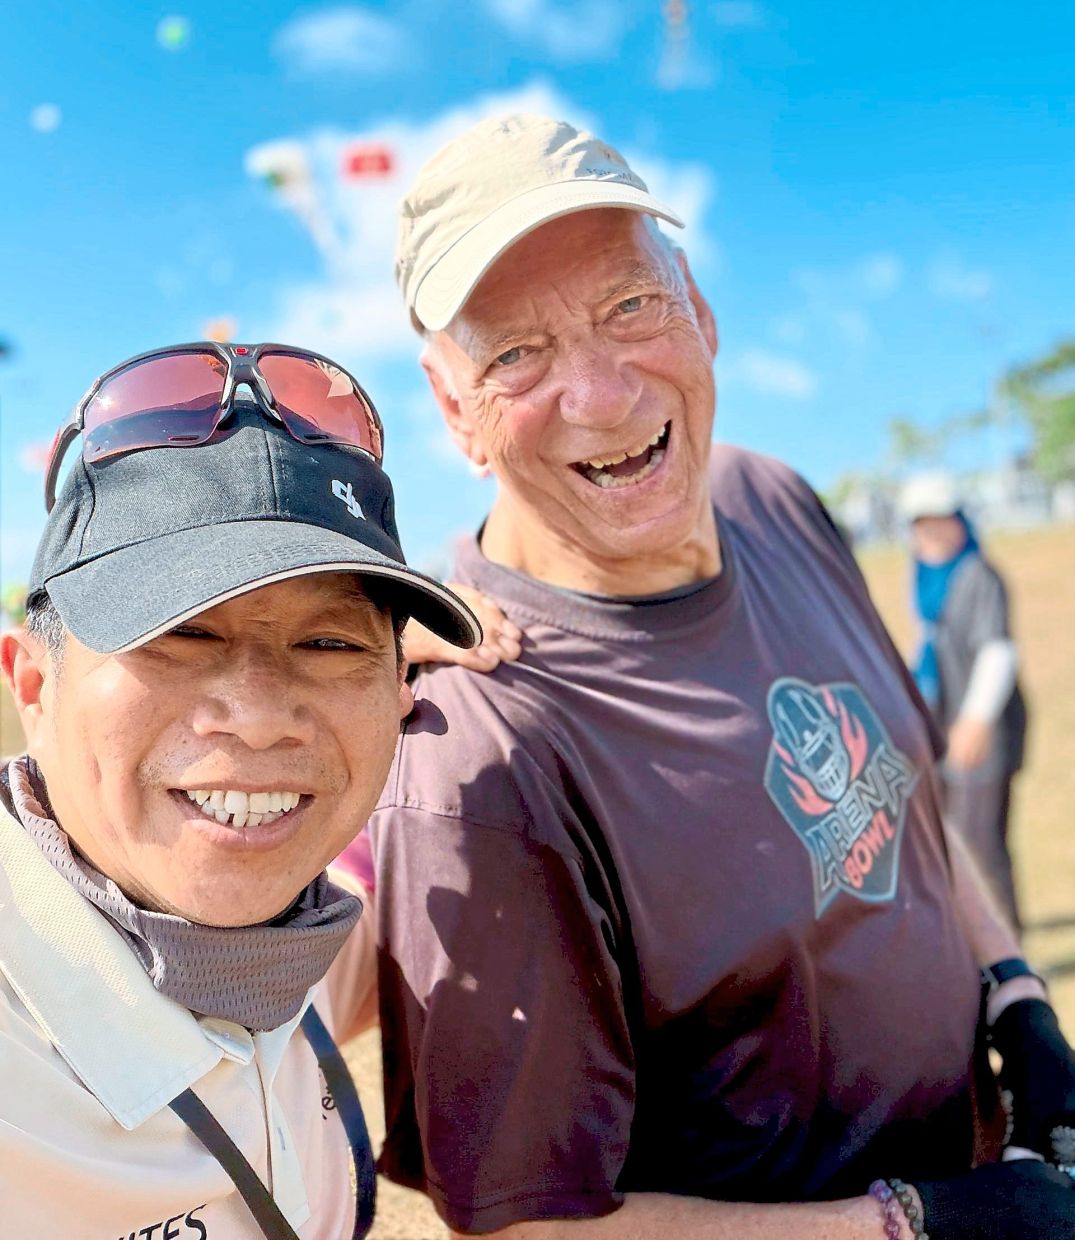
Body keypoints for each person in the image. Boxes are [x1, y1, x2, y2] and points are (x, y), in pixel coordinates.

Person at [361, 115, 1075, 1238]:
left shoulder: (770, 497)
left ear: (698, 307)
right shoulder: (481, 750)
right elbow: (532, 1226)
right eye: (515, 354)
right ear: (454, 408)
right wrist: (914, 1226)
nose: (599, 393)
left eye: (629, 306)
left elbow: (901, 799)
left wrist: (1015, 991)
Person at [0, 341, 480, 1238]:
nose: (259, 717)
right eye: (178, 635)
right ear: (32, 687)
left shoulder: (298, 939)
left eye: (329, 645)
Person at [899, 472, 1028, 934]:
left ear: (959, 521)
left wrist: (975, 720)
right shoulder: (924, 576)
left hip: (982, 726)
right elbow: (926, 642)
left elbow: (998, 650)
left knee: (980, 840)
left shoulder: (978, 574)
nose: (930, 534)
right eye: (920, 525)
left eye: (939, 522)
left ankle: (1009, 943)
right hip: (942, 719)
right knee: (948, 834)